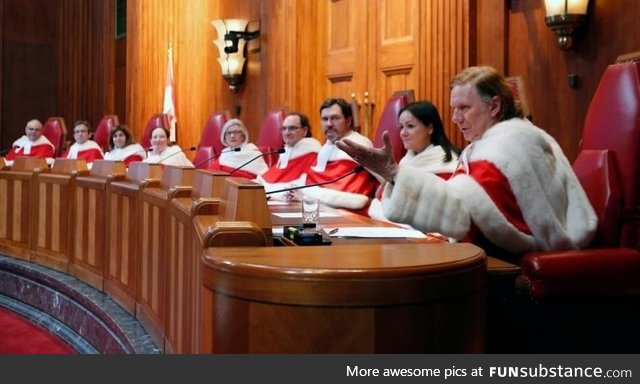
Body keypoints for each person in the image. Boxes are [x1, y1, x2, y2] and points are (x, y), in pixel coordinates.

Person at [337, 66, 596, 258]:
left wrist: (394, 173)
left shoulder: (509, 145)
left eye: (463, 108)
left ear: (494, 106)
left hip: (512, 263)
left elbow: (463, 212)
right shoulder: (493, 140)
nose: (455, 118)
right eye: (453, 108)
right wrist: (394, 174)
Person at [367, 101, 460, 221]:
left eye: (410, 126)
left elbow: (432, 215)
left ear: (430, 128)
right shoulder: (407, 160)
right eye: (401, 127)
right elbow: (382, 199)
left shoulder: (445, 164)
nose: (403, 133)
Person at [301, 98, 379, 211]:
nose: (329, 124)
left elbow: (349, 196)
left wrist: (306, 194)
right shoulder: (325, 148)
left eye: (335, 118)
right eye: (325, 119)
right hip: (323, 209)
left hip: (351, 215)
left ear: (348, 121)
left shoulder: (357, 145)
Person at [255, 112, 321, 200]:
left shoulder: (312, 153)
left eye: (292, 128)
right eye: (284, 128)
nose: (287, 133)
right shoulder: (287, 151)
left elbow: (302, 187)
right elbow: (272, 177)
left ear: (305, 130)